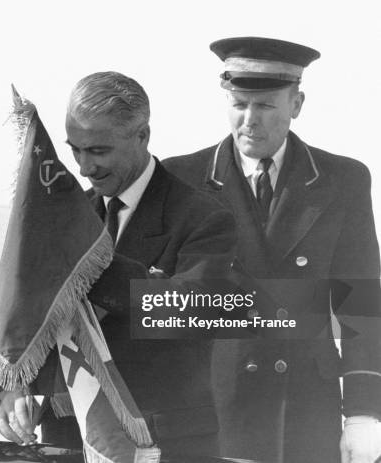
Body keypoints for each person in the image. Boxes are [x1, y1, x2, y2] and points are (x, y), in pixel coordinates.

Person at [0, 71, 237, 459]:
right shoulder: (72, 220)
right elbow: (25, 316)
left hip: (165, 444)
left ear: (143, 136)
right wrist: (12, 391)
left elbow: (192, 312)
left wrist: (89, 263)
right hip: (74, 439)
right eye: (75, 149)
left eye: (99, 150)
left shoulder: (204, 218)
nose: (85, 167)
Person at [163, 37, 381, 463]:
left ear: (296, 104)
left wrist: (363, 412)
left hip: (303, 411)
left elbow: (363, 306)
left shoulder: (343, 180)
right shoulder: (179, 179)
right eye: (238, 103)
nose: (249, 120)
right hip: (209, 408)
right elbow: (157, 305)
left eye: (264, 106)